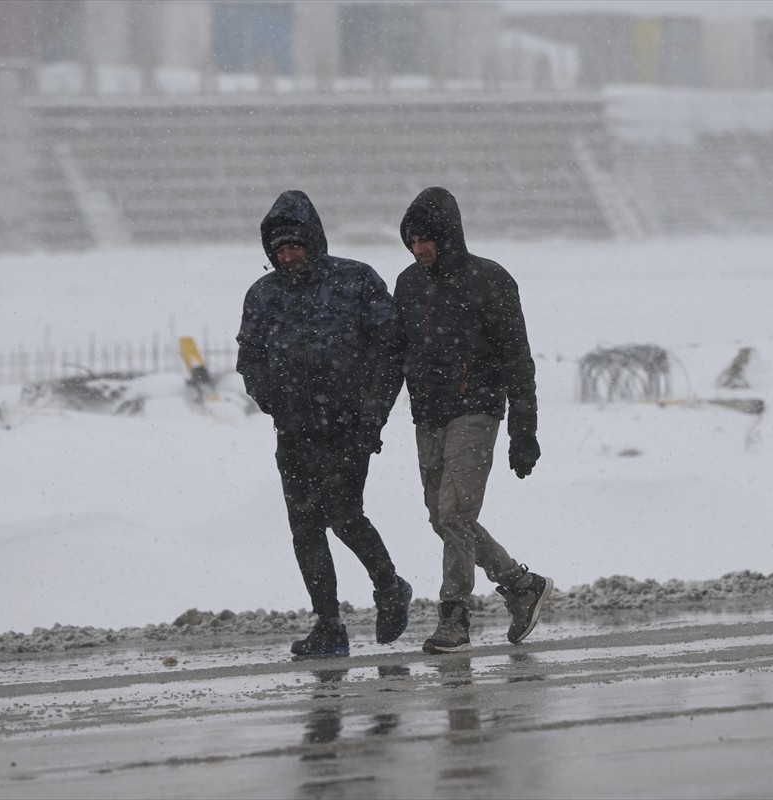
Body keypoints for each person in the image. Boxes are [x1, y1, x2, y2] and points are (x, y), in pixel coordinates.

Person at [237, 189, 412, 658]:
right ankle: (329, 625)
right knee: (304, 526)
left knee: (341, 511)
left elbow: (389, 354)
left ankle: (389, 586)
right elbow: (249, 358)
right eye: (280, 250)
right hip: (294, 431)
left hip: (349, 427)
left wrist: (370, 418)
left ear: (314, 241)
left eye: (296, 246)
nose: (289, 256)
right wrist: (273, 401)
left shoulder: (356, 281)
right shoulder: (263, 295)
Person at [393, 186, 553, 654]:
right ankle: (521, 585)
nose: (419, 249)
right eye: (411, 241)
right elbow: (392, 356)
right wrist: (370, 418)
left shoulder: (491, 279)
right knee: (443, 519)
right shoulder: (407, 284)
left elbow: (518, 362)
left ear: (448, 236)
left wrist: (524, 431)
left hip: (477, 409)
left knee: (455, 514)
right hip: (427, 416)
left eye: (426, 239)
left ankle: (455, 616)